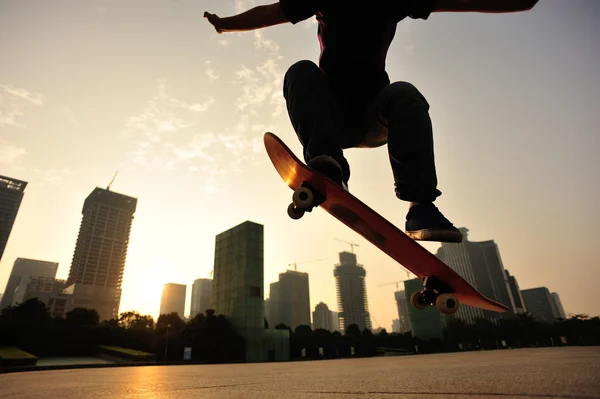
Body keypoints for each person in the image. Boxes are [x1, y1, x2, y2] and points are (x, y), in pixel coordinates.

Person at [204, 0, 537, 243]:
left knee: (404, 93)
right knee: (300, 71)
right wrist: (226, 24)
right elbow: (270, 12)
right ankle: (327, 164)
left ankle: (420, 206)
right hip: (328, 116)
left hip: (373, 117)